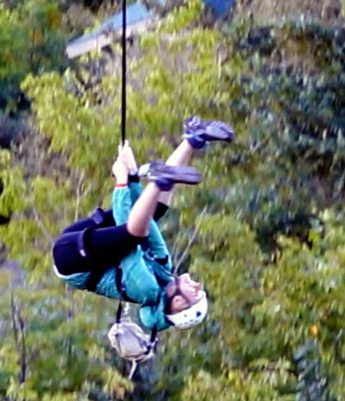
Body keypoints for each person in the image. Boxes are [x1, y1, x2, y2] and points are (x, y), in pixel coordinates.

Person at [52, 117, 233, 332]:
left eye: (195, 292)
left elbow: (127, 230)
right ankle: (193, 139)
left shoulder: (146, 289)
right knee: (155, 211)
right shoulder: (164, 270)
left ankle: (160, 180)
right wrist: (134, 176)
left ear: (178, 303)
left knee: (134, 234)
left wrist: (122, 181)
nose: (198, 285)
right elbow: (144, 220)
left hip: (71, 259)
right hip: (85, 240)